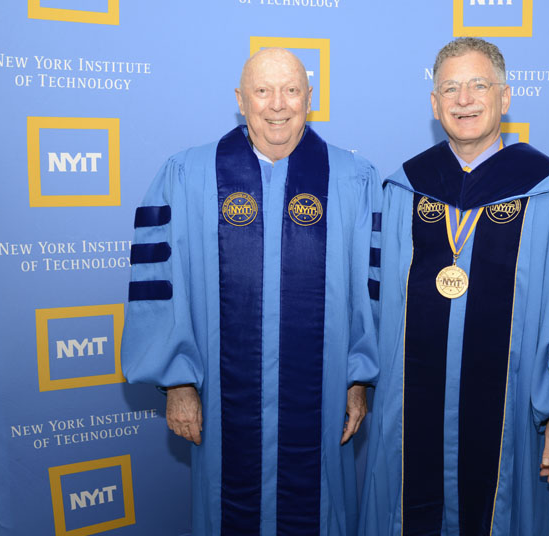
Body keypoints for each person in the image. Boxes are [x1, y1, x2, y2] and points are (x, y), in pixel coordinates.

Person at [359, 37, 549, 536]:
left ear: (506, 96)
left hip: (514, 415)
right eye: (449, 88)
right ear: (434, 105)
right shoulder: (402, 191)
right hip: (406, 415)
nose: (464, 99)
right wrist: (359, 381)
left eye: (478, 85)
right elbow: (372, 307)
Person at [122, 48, 380, 536]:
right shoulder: (187, 175)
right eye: (262, 91)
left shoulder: (353, 178)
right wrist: (178, 384)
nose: (277, 104)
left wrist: (359, 379)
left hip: (321, 397)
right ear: (241, 100)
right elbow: (160, 286)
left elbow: (370, 292)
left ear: (311, 97)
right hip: (222, 400)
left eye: (291, 90)